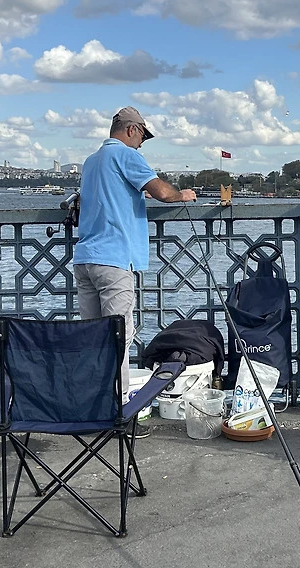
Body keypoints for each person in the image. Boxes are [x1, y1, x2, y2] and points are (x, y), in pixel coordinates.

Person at [73, 107, 197, 434]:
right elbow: (161, 192)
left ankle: (92, 411)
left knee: (93, 340)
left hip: (84, 259)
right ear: (131, 130)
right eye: (143, 135)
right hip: (114, 261)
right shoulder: (126, 155)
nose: (142, 143)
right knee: (118, 340)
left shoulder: (91, 162)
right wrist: (182, 194)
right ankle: (119, 418)